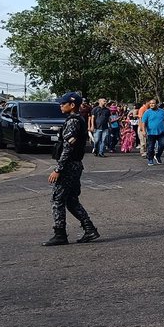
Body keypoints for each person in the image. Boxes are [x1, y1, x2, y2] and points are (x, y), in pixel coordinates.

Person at [42, 92, 100, 246]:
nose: (61, 106)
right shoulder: (76, 119)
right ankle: (89, 229)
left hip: (69, 165)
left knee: (58, 199)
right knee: (71, 200)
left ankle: (60, 233)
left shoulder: (73, 121)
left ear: (72, 105)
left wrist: (58, 169)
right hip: (75, 165)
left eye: (63, 103)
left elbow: (68, 147)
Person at [141, 99, 164, 166]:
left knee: (162, 145)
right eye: (150, 103)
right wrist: (144, 131)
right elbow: (143, 123)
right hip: (151, 133)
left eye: (153, 103)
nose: (152, 105)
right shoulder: (147, 112)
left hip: (160, 132)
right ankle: (150, 159)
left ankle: (158, 155)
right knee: (150, 147)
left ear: (157, 104)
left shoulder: (162, 112)